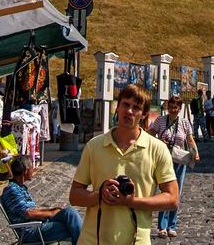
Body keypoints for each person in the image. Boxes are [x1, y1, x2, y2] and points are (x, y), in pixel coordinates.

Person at [70, 84, 178, 245]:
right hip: (93, 240)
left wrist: (131, 202)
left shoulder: (157, 149)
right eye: (126, 105)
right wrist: (99, 195)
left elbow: (172, 199)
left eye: (136, 108)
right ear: (117, 107)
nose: (129, 111)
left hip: (136, 241)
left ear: (144, 114)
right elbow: (74, 196)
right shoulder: (94, 146)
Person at [1, 155, 82, 244]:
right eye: (32, 167)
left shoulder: (20, 188)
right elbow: (29, 213)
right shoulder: (11, 190)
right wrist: (51, 213)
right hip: (31, 231)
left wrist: (53, 210)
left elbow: (33, 210)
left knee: (69, 212)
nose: (33, 170)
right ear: (26, 170)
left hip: (39, 224)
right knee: (73, 226)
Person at [149, 95, 199, 238]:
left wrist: (196, 153)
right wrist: (159, 141)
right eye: (171, 107)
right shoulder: (160, 120)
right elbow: (150, 136)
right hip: (163, 161)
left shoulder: (185, 123)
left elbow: (190, 140)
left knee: (176, 193)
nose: (173, 110)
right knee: (165, 192)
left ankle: (172, 225)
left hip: (179, 161)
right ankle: (162, 227)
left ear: (180, 108)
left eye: (176, 108)